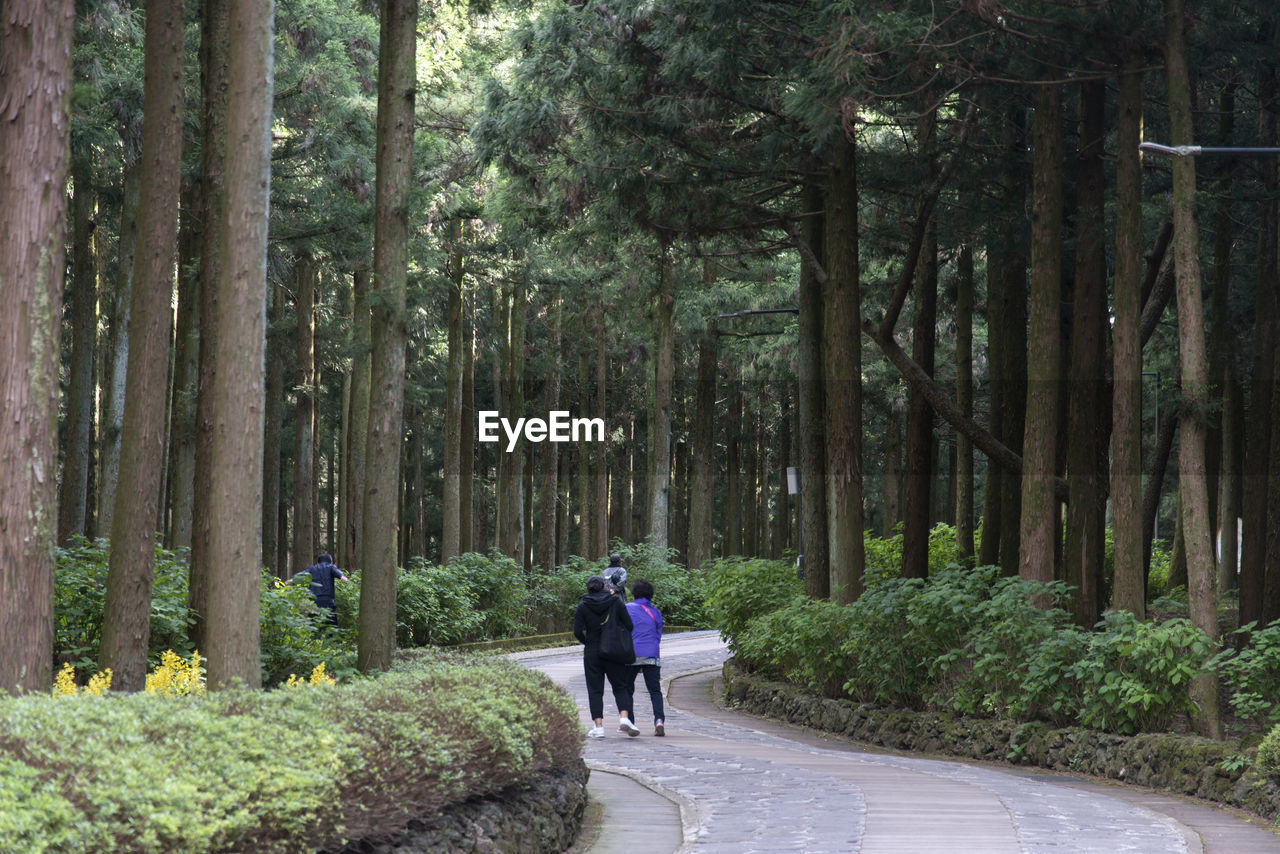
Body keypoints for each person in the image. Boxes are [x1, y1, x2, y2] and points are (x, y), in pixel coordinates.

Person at [573, 575, 640, 738]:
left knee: (595, 690)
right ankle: (624, 718)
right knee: (620, 686)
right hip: (613, 650)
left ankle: (599, 727)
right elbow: (630, 625)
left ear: (588, 589)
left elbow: (577, 631)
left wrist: (588, 641)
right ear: (604, 586)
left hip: (592, 652)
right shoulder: (616, 601)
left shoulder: (582, 606)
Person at [626, 578, 665, 736]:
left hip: (631, 654)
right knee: (655, 690)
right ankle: (659, 720)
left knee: (627, 689)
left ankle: (630, 722)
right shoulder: (656, 612)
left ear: (634, 593)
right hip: (652, 654)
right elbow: (658, 635)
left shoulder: (627, 608)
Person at [295, 553, 347, 627]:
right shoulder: (331, 567)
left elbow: (302, 574)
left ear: (317, 563)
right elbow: (337, 572)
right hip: (328, 602)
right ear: (331, 562)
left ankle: (314, 638)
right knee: (332, 627)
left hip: (314, 602)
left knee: (313, 627)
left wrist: (292, 580)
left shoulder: (312, 568)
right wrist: (342, 577)